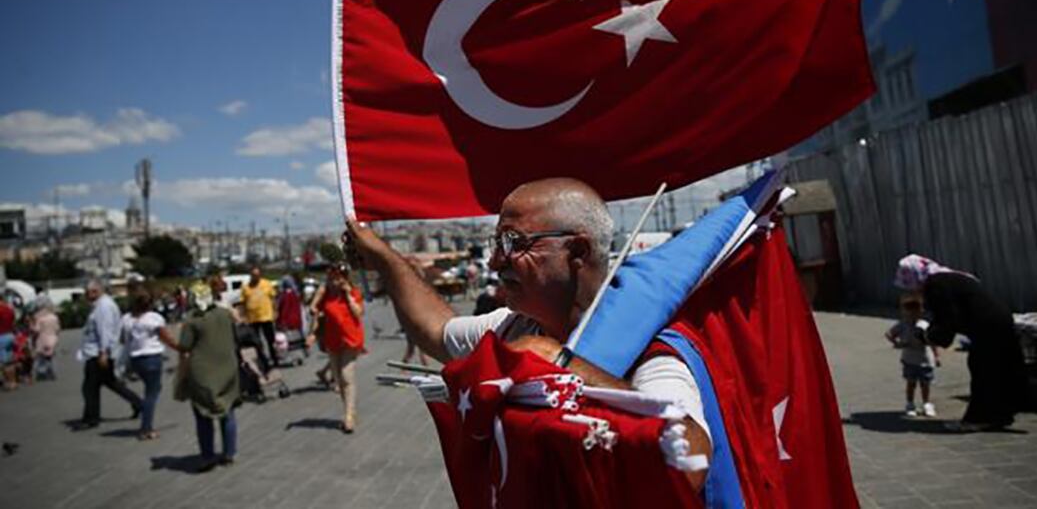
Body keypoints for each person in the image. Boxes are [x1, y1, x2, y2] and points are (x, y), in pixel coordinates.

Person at [342, 177, 711, 489]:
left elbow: (691, 462)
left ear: (577, 250)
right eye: (496, 245)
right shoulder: (514, 327)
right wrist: (382, 255)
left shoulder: (651, 348)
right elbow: (435, 329)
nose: (495, 262)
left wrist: (561, 361)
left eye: (514, 244)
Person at [894, 254, 1030, 431]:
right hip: (996, 321)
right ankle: (999, 416)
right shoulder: (942, 278)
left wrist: (928, 337)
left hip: (988, 325)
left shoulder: (936, 285)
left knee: (983, 369)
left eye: (910, 285)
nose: (912, 290)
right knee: (995, 369)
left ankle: (978, 419)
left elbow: (947, 320)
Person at [176, 277, 241, 472]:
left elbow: (184, 346)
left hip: (202, 373)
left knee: (203, 416)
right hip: (228, 368)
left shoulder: (192, 321)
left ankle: (207, 456)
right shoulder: (225, 314)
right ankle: (229, 454)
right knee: (227, 412)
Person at [74, 281, 142, 430]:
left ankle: (91, 418)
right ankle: (139, 404)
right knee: (111, 383)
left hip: (98, 353)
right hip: (98, 352)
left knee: (90, 387)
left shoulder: (103, 307)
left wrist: (103, 352)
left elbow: (105, 331)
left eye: (89, 292)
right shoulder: (101, 305)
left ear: (96, 291)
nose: (87, 295)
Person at [306, 263, 366, 433]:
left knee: (347, 376)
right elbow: (315, 312)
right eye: (332, 277)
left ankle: (348, 417)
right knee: (339, 381)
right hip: (332, 340)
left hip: (351, 339)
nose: (335, 280)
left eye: (338, 277)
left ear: (345, 278)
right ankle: (349, 410)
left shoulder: (353, 292)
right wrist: (312, 334)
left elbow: (358, 313)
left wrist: (347, 295)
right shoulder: (325, 295)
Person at [121, 287, 179, 440]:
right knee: (151, 394)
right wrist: (180, 348)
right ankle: (146, 428)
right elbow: (166, 338)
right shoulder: (154, 318)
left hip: (135, 358)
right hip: (152, 357)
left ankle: (145, 424)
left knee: (151, 389)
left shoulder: (126, 319)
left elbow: (123, 340)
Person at [885, 292, 938, 417]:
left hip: (925, 359)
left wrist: (936, 356)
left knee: (925, 383)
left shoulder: (924, 325)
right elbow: (889, 333)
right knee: (911, 383)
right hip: (909, 359)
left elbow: (933, 342)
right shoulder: (902, 324)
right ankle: (910, 403)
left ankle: (926, 403)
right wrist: (897, 343)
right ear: (904, 311)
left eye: (916, 311)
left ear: (921, 311)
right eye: (909, 311)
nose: (912, 314)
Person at [240, 267, 278, 367]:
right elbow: (243, 304)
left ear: (260, 275)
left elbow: (273, 299)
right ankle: (263, 362)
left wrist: (275, 311)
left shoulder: (267, 284)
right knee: (256, 343)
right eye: (253, 275)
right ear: (251, 275)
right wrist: (243, 316)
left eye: (257, 275)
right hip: (253, 319)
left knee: (271, 341)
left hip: (266, 317)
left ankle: (275, 360)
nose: (256, 277)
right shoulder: (245, 287)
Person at [31, 302, 60, 381]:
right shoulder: (54, 317)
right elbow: (57, 329)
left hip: (43, 339)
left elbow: (37, 330)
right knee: (51, 357)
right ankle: (52, 372)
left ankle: (42, 373)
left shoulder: (40, 318)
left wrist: (31, 326)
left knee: (41, 357)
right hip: (53, 338)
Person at [0, 294, 16, 390]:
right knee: (9, 361)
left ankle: (7, 382)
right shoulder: (9, 309)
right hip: (10, 335)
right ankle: (13, 382)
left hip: (1, 337)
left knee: (3, 362)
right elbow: (13, 322)